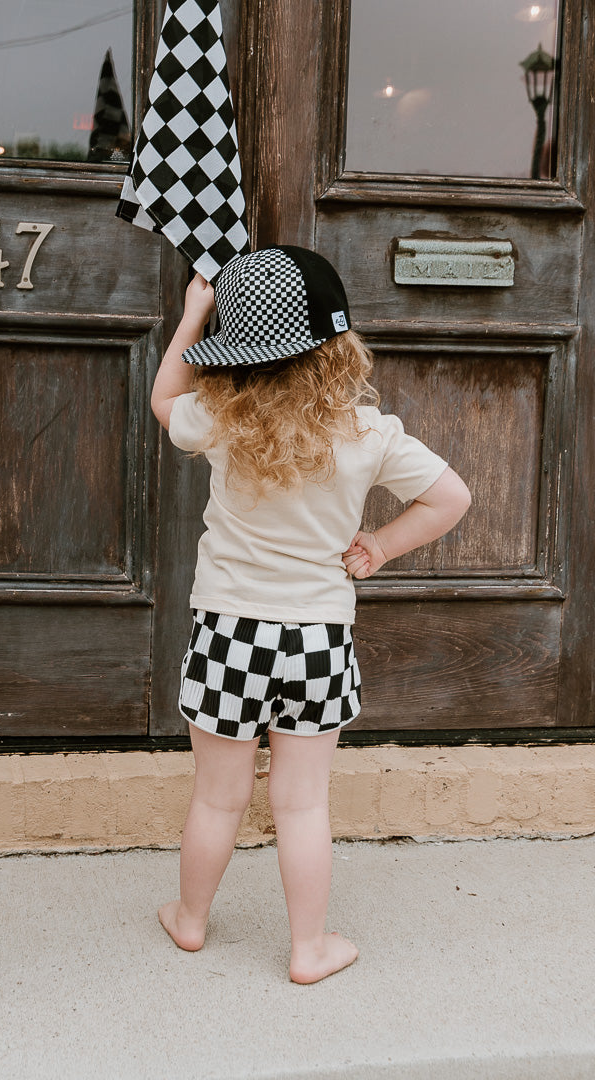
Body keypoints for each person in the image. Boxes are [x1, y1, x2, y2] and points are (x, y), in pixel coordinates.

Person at [150, 247, 470, 984]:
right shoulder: (368, 434)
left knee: (216, 796)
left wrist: (192, 316)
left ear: (235, 348)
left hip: (230, 631)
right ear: (337, 347)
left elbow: (167, 400)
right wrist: (380, 546)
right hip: (318, 638)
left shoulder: (217, 417)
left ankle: (191, 920)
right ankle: (309, 947)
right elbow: (451, 498)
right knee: (300, 805)